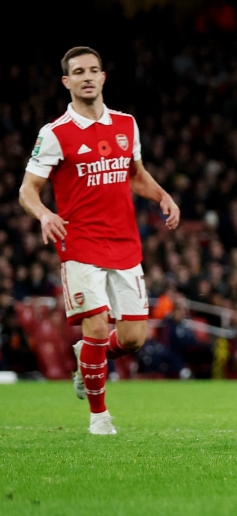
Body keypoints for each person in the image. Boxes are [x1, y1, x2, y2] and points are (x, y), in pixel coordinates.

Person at [18, 46, 180, 435]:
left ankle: (86, 357)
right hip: (80, 243)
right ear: (67, 81)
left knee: (133, 338)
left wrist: (162, 196)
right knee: (95, 325)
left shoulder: (126, 124)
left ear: (103, 77)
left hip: (125, 242)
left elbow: (136, 174)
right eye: (78, 72)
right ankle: (99, 417)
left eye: (93, 70)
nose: (87, 77)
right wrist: (45, 213)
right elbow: (27, 189)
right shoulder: (55, 133)